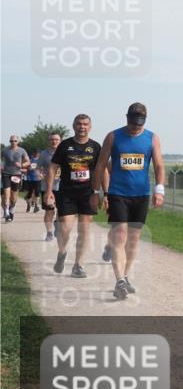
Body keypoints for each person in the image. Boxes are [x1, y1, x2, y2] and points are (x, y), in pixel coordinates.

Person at [91, 103, 166, 300]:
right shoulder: (113, 136)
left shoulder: (152, 138)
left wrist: (159, 190)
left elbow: (159, 165)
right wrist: (96, 191)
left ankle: (126, 275)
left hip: (141, 194)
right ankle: (119, 281)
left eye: (139, 124)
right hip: (118, 193)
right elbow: (100, 165)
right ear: (127, 118)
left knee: (133, 239)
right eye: (133, 123)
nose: (135, 127)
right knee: (120, 236)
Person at [46, 115, 103, 278]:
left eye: (85, 124)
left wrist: (104, 192)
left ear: (90, 127)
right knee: (64, 228)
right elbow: (52, 167)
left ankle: (78, 265)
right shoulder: (65, 145)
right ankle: (62, 253)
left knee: (84, 229)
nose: (82, 127)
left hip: (87, 193)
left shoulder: (95, 146)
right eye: (79, 124)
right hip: (67, 193)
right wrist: (49, 190)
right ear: (73, 126)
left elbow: (102, 170)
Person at [36, 132, 62, 241]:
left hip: (62, 186)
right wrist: (39, 173)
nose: (54, 141)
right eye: (52, 139)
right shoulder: (44, 154)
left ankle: (57, 224)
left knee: (62, 211)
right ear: (49, 141)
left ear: (60, 141)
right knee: (49, 210)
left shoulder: (64, 153)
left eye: (56, 139)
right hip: (47, 187)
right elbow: (38, 167)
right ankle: (49, 233)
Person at [2, 135, 30, 222]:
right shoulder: (5, 150)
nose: (13, 142)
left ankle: (12, 209)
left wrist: (21, 165)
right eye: (11, 141)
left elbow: (28, 162)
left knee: (13, 197)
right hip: (6, 173)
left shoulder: (22, 150)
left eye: (15, 141)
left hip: (16, 175)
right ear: (9, 141)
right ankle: (6, 212)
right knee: (7, 195)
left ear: (18, 142)